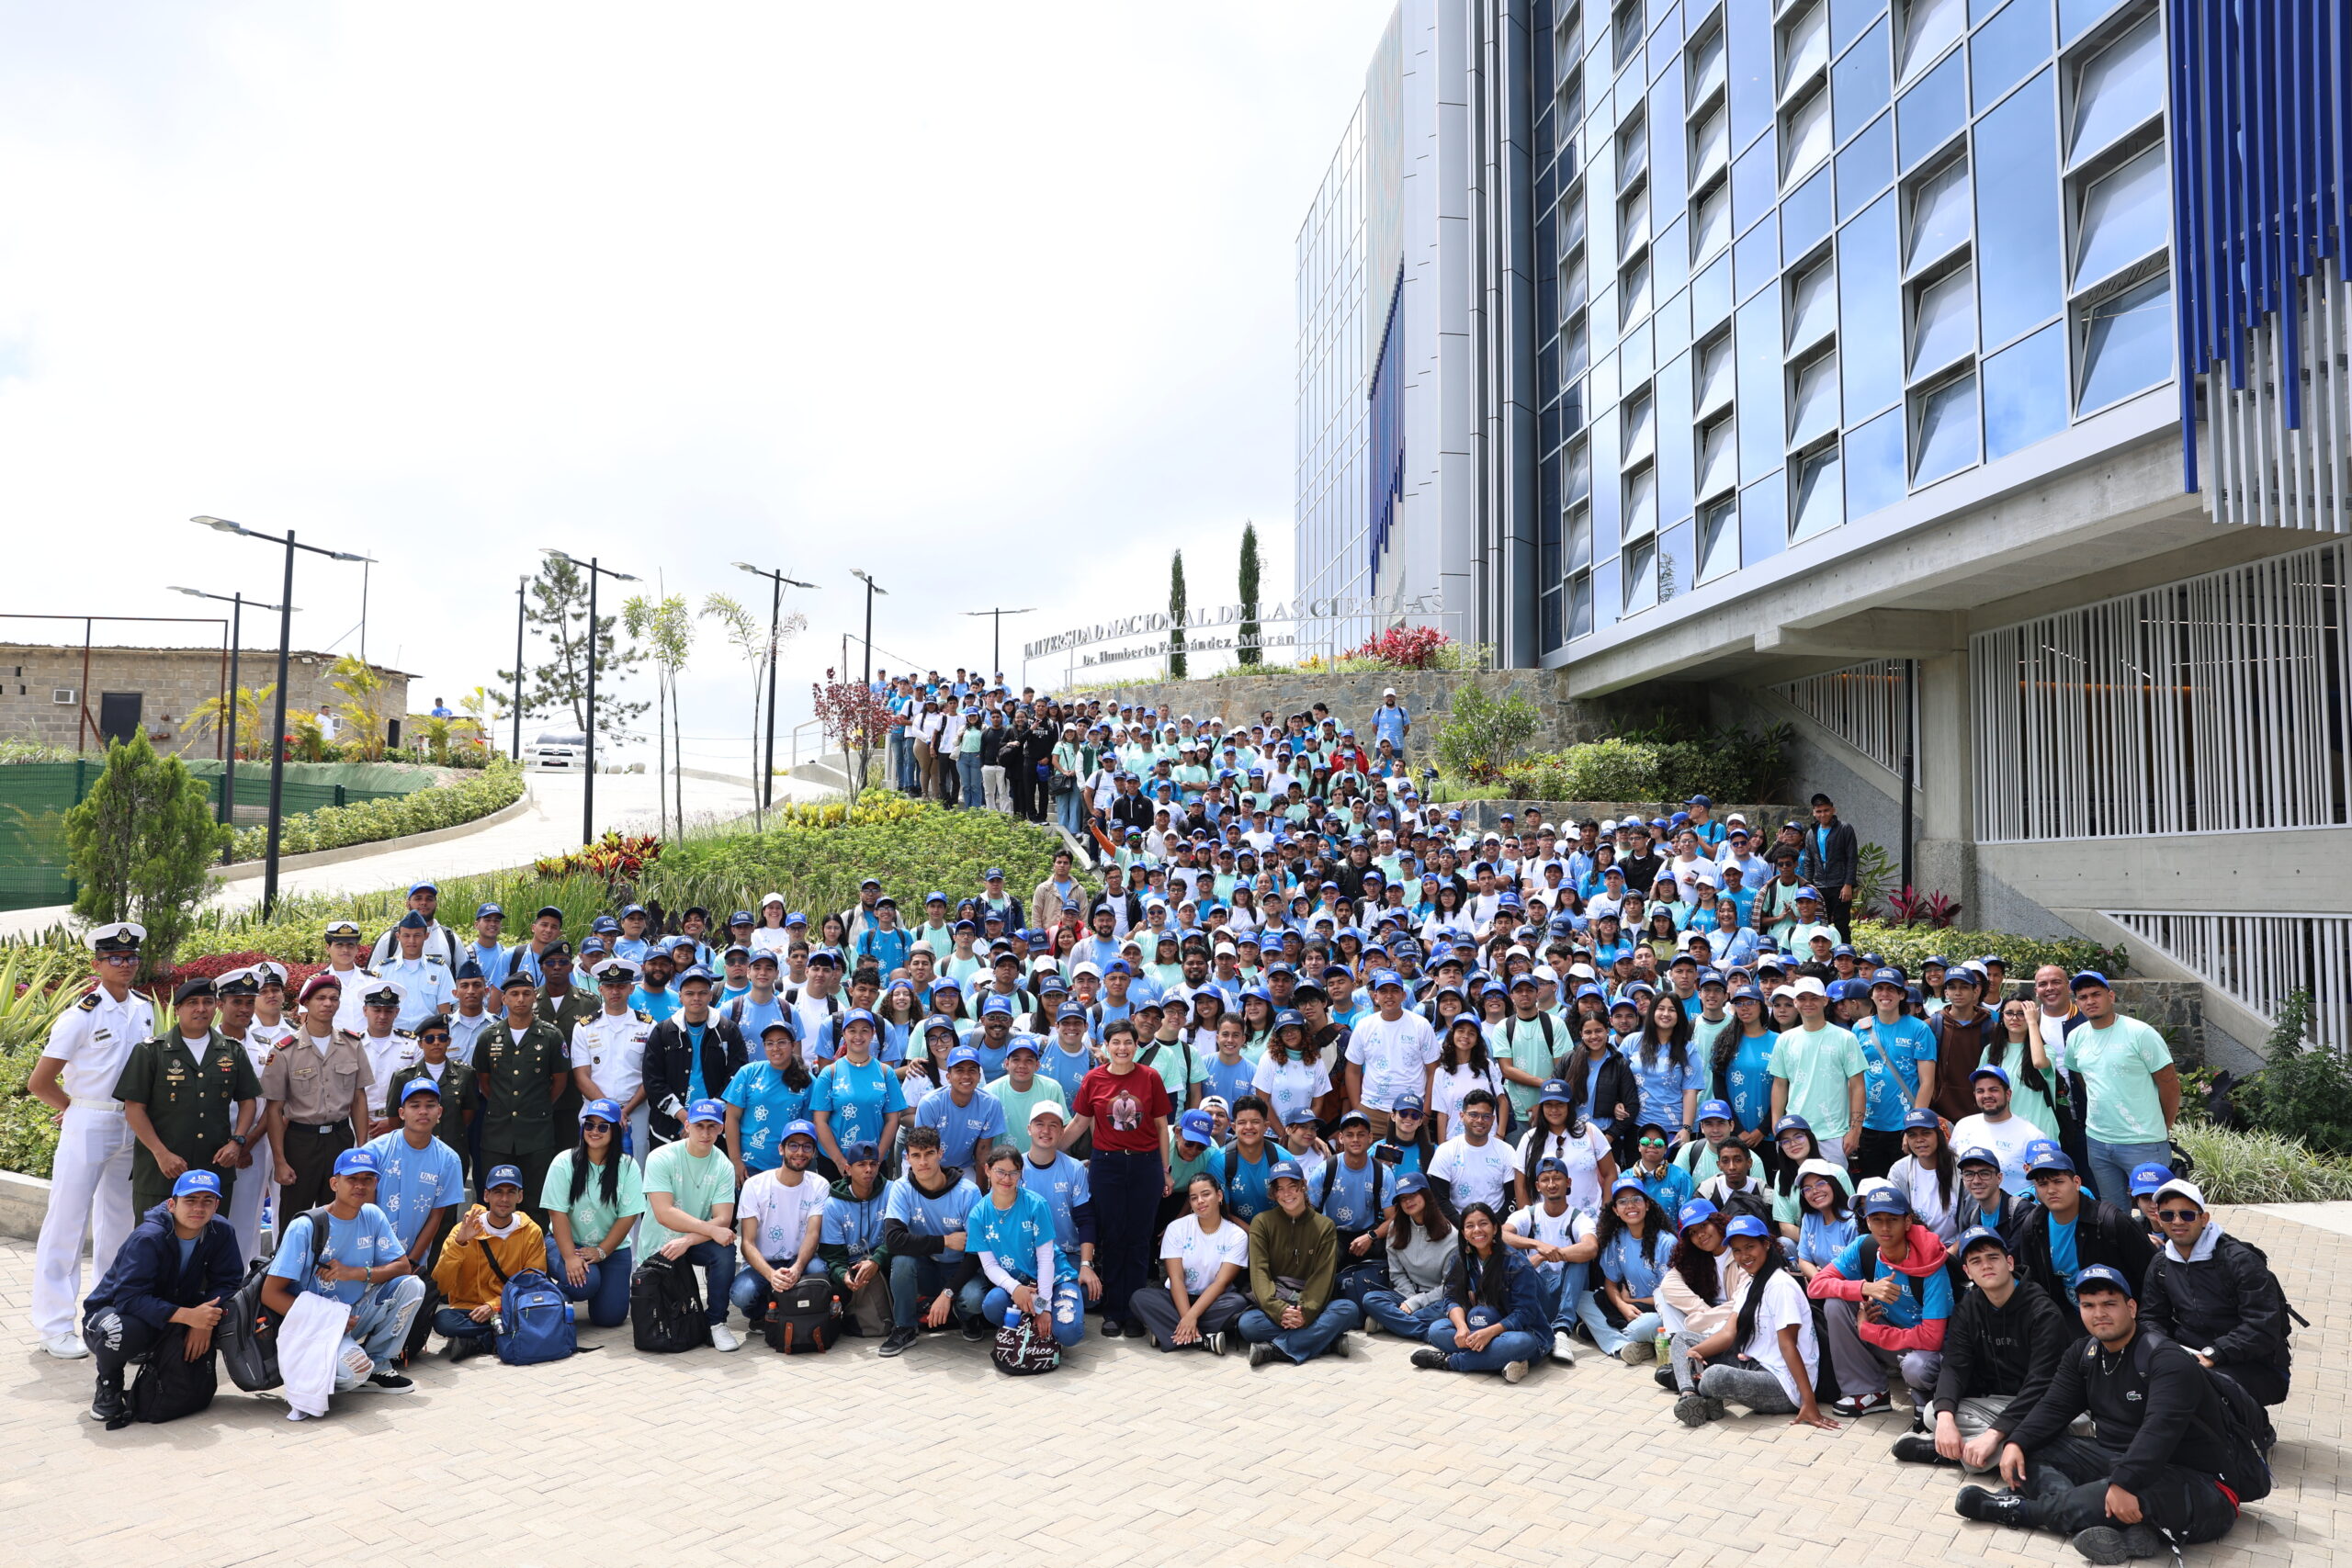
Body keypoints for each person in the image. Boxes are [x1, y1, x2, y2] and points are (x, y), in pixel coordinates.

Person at [1954, 1266, 2246, 1558]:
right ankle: (2114, 1524)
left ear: (2131, 1308)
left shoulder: (2166, 1360)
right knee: (2033, 1449)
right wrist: (2017, 1442)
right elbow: (2054, 1407)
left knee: (2121, 1490)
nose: (2099, 1313)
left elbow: (2161, 1429)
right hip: (2120, 1464)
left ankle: (2020, 1510)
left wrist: (2123, 1483)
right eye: (2089, 1305)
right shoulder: (2084, 1354)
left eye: (2109, 1303)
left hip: (2202, 1487)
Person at [29, 922, 158, 1359]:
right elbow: (39, 1081)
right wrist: (71, 1108)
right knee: (67, 1220)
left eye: (131, 958)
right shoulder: (80, 1014)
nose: (125, 965)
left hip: (132, 1123)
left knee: (119, 1225)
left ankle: (108, 1311)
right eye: (115, 958)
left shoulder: (142, 1009)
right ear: (97, 964)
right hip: (89, 1117)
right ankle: (53, 1324)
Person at [80, 1169, 243, 1429]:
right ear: (172, 1203)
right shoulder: (148, 1237)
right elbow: (129, 1298)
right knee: (117, 1332)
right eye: (190, 1200)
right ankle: (109, 1384)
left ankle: (167, 1368)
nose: (198, 1208)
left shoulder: (220, 1231)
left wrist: (203, 1322)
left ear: (216, 1205)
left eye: (207, 1201)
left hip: (175, 1309)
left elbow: (228, 1282)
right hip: (114, 1312)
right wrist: (189, 1317)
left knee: (233, 1310)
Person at [1894, 1225, 2069, 1470]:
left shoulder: (2043, 1312)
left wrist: (1994, 1434)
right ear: (1967, 1271)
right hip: (1994, 1404)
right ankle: (1995, 1453)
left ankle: (1957, 1455)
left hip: (2044, 1405)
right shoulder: (1969, 1307)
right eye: (1976, 1261)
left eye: (1993, 1257)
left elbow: (2041, 1384)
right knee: (1934, 1411)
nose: (1986, 1265)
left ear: (2009, 1262)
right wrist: (1945, 1420)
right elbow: (1954, 1365)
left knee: (2070, 1429)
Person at [259, 1148, 428, 1398]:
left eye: (367, 1179)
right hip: (317, 1324)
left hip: (355, 1314)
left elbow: (402, 1266)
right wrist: (330, 1319)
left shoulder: (372, 1215)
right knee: (354, 1373)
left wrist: (355, 1273)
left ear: (375, 1184)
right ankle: (317, 1366)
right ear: (334, 1183)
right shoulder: (305, 1226)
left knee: (413, 1286)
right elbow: (270, 1294)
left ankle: (379, 1365)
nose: (360, 1186)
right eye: (352, 1179)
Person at [113, 976, 264, 1219]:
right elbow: (133, 1108)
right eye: (193, 1002)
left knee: (210, 1243)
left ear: (216, 1007)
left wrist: (237, 1142)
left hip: (214, 1167)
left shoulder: (232, 1050)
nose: (201, 1008)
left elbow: (248, 1101)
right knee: (154, 1242)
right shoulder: (151, 1051)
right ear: (178, 1009)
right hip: (163, 1169)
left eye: (207, 1002)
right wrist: (161, 1154)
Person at [2138, 1176, 2293, 1406]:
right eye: (2168, 1215)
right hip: (2192, 1355)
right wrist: (2160, 1349)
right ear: (2159, 1219)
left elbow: (2262, 1326)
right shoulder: (2161, 1264)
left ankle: (2255, 1428)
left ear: (2204, 1218)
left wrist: (2215, 1353)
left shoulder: (2240, 1262)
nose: (2177, 1221)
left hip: (2257, 1365)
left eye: (2187, 1214)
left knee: (2197, 1385)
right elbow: (2151, 1317)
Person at [1675, 1215, 1837, 1429]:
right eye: (1737, 1250)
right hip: (1752, 1362)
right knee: (1682, 1340)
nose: (1744, 1256)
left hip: (1783, 1384)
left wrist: (1808, 1402)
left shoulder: (1780, 1286)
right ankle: (1689, 1395)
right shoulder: (1749, 1282)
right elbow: (1728, 1333)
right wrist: (1696, 1351)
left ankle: (1694, 1382)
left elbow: (1788, 1345)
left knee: (1715, 1377)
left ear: (1766, 1244)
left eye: (1750, 1247)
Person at [1065, 1024, 1173, 1337]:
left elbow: (1161, 1124)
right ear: (1106, 1046)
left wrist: (1165, 1169)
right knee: (1112, 1237)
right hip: (1107, 1165)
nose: (1122, 1048)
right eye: (1116, 1042)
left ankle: (1135, 1312)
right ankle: (1114, 1310)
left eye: (1128, 1042)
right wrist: (1049, 1149)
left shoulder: (1150, 1077)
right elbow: (1079, 1123)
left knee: (1140, 1239)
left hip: (1146, 1163)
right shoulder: (1093, 1079)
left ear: (1136, 1044)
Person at [1805, 1185, 1952, 1417]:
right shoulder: (1864, 1246)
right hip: (1893, 1338)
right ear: (1867, 1220)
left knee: (1917, 1368)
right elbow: (1816, 1286)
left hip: (1928, 1351)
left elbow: (1932, 1339)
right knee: (1836, 1303)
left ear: (1907, 1222)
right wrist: (1864, 1288)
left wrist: (1868, 1330)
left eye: (1892, 1219)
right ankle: (1868, 1392)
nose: (1884, 1227)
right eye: (1876, 1219)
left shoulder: (1930, 1263)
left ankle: (1932, 1400)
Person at [2063, 973, 2183, 1214]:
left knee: (2160, 1212)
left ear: (2111, 996)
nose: (2090, 1001)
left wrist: (2162, 1126)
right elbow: (2082, 1077)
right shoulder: (2076, 1037)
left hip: (2143, 1141)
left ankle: (2164, 1253)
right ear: (2077, 1003)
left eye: (2096, 994)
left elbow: (2169, 1084)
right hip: (2098, 1141)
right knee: (2113, 1215)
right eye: (2083, 997)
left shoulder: (2139, 1033)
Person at [261, 973, 375, 1213]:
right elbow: (274, 1109)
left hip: (340, 1139)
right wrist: (280, 1161)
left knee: (341, 1213)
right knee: (295, 1215)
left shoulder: (352, 1044)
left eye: (334, 998)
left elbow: (358, 1098)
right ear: (306, 1003)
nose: (328, 1004)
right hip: (301, 1141)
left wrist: (362, 1147)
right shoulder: (284, 1051)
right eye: (320, 998)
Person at [639, 1100, 742, 1351]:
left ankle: (716, 1322)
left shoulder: (724, 1166)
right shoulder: (660, 1157)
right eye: (699, 1126)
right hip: (660, 1243)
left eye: (712, 1127)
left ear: (721, 1130)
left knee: (726, 1251)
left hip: (693, 1242)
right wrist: (710, 1230)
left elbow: (723, 1219)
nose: (705, 1133)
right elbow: (664, 1213)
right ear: (687, 1125)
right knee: (663, 1321)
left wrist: (688, 1240)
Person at [1238, 1160, 1362, 1366]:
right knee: (1248, 1325)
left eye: (1292, 1187)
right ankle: (1325, 1341)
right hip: (1277, 1298)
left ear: (1303, 1186)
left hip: (1312, 1301)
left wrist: (1305, 1312)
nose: (1287, 1194)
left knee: (1347, 1309)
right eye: (1280, 1189)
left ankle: (1276, 1349)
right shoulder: (1262, 1222)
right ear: (1274, 1194)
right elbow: (1259, 1272)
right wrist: (1279, 1310)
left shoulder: (1324, 1226)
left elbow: (1323, 1275)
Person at [960, 1145, 1085, 1348]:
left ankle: (1053, 1321)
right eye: (1000, 1171)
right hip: (1019, 1286)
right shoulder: (978, 1215)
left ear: (1021, 1174)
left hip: (1054, 1279)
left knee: (1069, 1334)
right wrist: (1015, 1288)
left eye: (1013, 1173)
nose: (1006, 1179)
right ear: (987, 1170)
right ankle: (1034, 1333)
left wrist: (1043, 1307)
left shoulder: (1036, 1205)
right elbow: (989, 1266)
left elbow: (1046, 1260)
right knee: (992, 1306)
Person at [473, 971, 573, 1219]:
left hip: (536, 1132)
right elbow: (484, 1082)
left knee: (536, 1199)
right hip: (498, 1132)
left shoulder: (551, 1036)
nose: (521, 999)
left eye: (527, 994)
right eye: (514, 994)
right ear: (504, 1000)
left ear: (535, 998)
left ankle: (535, 1255)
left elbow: (559, 1081)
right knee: (495, 1197)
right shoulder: (488, 1036)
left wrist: (536, 1105)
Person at [1409, 1201, 1544, 1382]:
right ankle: (1501, 1363)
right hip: (1475, 1328)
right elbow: (1451, 1298)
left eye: (1483, 1224)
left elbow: (1525, 1313)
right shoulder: (1459, 1259)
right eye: (1470, 1226)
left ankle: (1450, 1361)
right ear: (1464, 1233)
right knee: (1436, 1329)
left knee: (1519, 1344)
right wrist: (1461, 1327)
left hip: (1515, 1332)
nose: (1477, 1230)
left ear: (1495, 1228)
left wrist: (1490, 1333)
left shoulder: (1517, 1264)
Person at [539, 1099, 645, 1329]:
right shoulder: (563, 1162)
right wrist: (569, 1257)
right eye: (589, 1125)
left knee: (610, 1318)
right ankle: (553, 1297)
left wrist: (602, 1251)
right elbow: (557, 1214)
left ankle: (595, 1289)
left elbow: (628, 1216)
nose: (594, 1131)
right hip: (567, 1242)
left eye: (603, 1126)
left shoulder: (628, 1166)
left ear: (615, 1130)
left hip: (612, 1249)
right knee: (586, 1283)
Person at [2011, 1145, 2150, 1316]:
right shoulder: (2033, 1226)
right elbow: (2034, 1285)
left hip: (2122, 1319)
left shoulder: (2111, 1221)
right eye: (2042, 1184)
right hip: (2068, 1323)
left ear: (2076, 1182)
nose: (2051, 1190)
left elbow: (2150, 1276)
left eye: (2058, 1181)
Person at [877, 1127, 979, 1357]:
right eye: (916, 1155)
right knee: (902, 1259)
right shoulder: (901, 1188)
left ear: (940, 1153)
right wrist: (945, 1241)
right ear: (907, 1158)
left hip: (959, 1269)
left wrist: (948, 1293)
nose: (923, 1162)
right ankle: (904, 1327)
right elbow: (893, 1240)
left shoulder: (968, 1192)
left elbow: (976, 1252)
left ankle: (965, 1316)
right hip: (925, 1267)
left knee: (973, 1300)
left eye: (929, 1153)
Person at [428, 1165, 547, 1361]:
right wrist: (460, 1243)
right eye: (497, 1192)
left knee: (537, 1309)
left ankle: (479, 1339)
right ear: (486, 1195)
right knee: (443, 1320)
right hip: (468, 1310)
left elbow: (531, 1284)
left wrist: (494, 1307)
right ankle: (498, 1335)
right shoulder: (463, 1228)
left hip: (509, 1306)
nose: (504, 1199)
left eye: (511, 1192)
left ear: (520, 1197)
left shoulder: (531, 1231)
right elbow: (441, 1286)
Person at [1132, 1171, 1252, 1353]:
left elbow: (1221, 1283)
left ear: (1219, 1196)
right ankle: (1202, 1339)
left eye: (1206, 1194)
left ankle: (1170, 1332)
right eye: (1194, 1198)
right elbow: (1176, 1279)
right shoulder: (1176, 1228)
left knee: (1237, 1303)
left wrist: (1192, 1316)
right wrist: (1187, 1315)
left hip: (1215, 1300)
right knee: (1140, 1297)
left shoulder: (1236, 1235)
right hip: (1178, 1297)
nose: (1200, 1201)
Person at [731, 1119, 830, 1328]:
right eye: (793, 1145)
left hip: (798, 1259)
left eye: (807, 1146)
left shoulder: (819, 1184)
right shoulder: (754, 1185)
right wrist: (771, 1275)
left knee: (820, 1269)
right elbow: (746, 1243)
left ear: (813, 1152)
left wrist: (797, 1267)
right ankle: (764, 1314)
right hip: (761, 1263)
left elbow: (813, 1233)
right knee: (742, 1294)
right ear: (781, 1149)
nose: (799, 1152)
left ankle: (795, 1311)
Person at [1502, 1156, 1600, 1364]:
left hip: (1565, 1291)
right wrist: (1536, 1245)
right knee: (1512, 1250)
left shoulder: (1579, 1218)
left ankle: (1562, 1330)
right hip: (1534, 1289)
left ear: (1569, 1182)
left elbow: (1591, 1247)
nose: (1552, 1184)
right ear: (1538, 1186)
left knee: (1578, 1257)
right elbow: (1501, 1235)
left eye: (1557, 1178)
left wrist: (1554, 1253)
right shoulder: (1528, 1214)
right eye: (1545, 1179)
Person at [640, 966, 750, 1151]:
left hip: (716, 1127)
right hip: (668, 1128)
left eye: (702, 993)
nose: (696, 998)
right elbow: (653, 1080)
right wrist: (685, 1117)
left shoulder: (727, 1030)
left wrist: (705, 1118)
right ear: (680, 997)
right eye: (690, 993)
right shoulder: (663, 1031)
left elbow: (736, 1076)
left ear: (710, 996)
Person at [1767, 976, 1865, 1168]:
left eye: (1814, 997)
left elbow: (1858, 1086)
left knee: (1834, 1194)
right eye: (1802, 998)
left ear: (1825, 1000)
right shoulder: (1785, 1040)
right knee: (1795, 1193)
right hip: (1794, 1133)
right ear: (1795, 1002)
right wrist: (1777, 1125)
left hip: (1834, 1135)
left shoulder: (1846, 1038)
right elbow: (1779, 1085)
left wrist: (1855, 1131)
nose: (1808, 1003)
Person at [1658, 1198, 1745, 1406]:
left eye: (1704, 1226)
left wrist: (1700, 1320)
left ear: (1718, 1222)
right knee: (1661, 1296)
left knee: (1720, 1321)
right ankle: (1693, 1370)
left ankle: (1687, 1372)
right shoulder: (1696, 1256)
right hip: (1708, 1320)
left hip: (1735, 1323)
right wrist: (1703, 1313)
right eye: (1693, 1232)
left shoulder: (1740, 1250)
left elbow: (1742, 1303)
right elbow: (1668, 1283)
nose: (1700, 1235)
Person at [1851, 966, 1936, 1179]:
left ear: (1901, 995)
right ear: (1871, 994)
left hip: (1904, 1125)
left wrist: (1914, 1126)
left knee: (1907, 1186)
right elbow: (1853, 1081)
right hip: (1869, 1125)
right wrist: (1854, 1126)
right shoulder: (1859, 1029)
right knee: (1873, 1185)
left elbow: (1927, 1082)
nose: (1885, 994)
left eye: (1891, 989)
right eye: (1879, 988)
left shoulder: (1919, 1029)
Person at [570, 957, 654, 1162]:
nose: (615, 991)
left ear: (631, 989)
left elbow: (650, 1077)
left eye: (621, 986)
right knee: (593, 1172)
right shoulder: (584, 1027)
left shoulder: (648, 1026)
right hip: (595, 1114)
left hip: (635, 1112)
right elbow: (581, 1077)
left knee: (636, 1172)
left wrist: (624, 1111)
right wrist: (609, 1111)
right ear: (600, 989)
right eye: (609, 986)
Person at [1343, 969, 1440, 1138]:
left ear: (1403, 995)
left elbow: (1433, 1071)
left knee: (1412, 1163)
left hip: (1412, 1112)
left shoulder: (1421, 1025)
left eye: (1394, 991)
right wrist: (1358, 1107)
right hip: (1372, 1111)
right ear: (1375, 996)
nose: (1389, 996)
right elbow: (1352, 1070)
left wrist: (1426, 1112)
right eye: (1383, 991)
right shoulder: (1364, 1026)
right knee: (1373, 1163)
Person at [1590, 1176, 1674, 1361]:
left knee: (1648, 1325)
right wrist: (1622, 1305)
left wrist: (1630, 1300)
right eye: (1622, 1202)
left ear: (1647, 1204)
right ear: (1615, 1210)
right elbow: (1610, 1284)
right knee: (1583, 1300)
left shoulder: (1666, 1242)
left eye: (1636, 1199)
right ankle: (1630, 1344)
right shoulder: (1617, 1238)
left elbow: (1671, 1297)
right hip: (1629, 1309)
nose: (1630, 1205)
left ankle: (1613, 1338)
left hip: (1658, 1311)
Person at [817, 1140, 893, 1337]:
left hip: (885, 1263)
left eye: (873, 1164)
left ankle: (904, 1323)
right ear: (848, 1169)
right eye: (861, 1165)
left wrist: (876, 1261)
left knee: (905, 1263)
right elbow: (832, 1255)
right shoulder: (833, 1205)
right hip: (852, 1269)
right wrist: (844, 1276)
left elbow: (900, 1236)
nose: (868, 1170)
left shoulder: (891, 1192)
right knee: (828, 1283)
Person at [916, 1043, 1006, 1176]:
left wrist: (981, 1192)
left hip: (963, 1166)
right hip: (925, 1165)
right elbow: (923, 1150)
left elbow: (983, 1151)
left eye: (972, 1070)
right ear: (948, 1077)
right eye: (959, 1070)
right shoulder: (930, 1104)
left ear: (979, 1076)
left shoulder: (990, 1104)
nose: (966, 1076)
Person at [1427, 1089, 1515, 1213]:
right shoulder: (1445, 1151)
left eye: (1486, 1116)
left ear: (1493, 1119)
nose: (1480, 1120)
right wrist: (1465, 1228)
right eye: (1473, 1115)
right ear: (1462, 1116)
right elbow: (1440, 1201)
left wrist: (1494, 1226)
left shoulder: (1506, 1151)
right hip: (1456, 1226)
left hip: (1498, 1225)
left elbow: (1512, 1198)